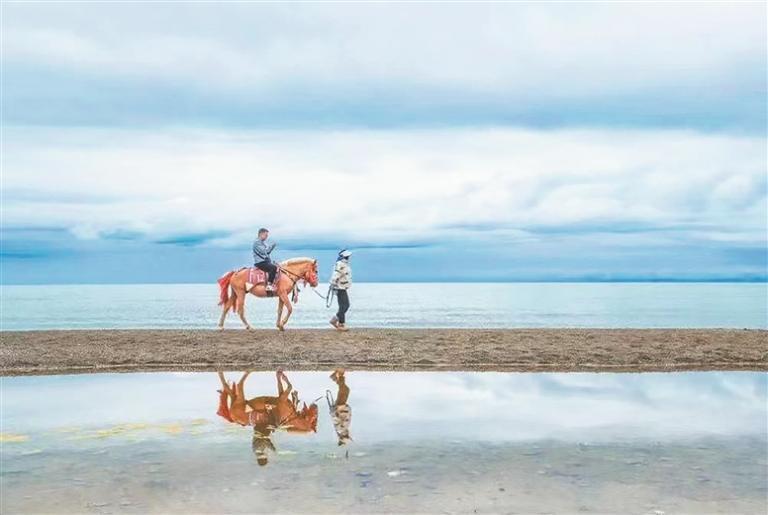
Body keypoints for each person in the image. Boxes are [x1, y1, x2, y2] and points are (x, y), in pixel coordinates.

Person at [327, 368, 352, 447]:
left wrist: (335, 410)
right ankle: (336, 377)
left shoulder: (340, 429)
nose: (348, 434)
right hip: (342, 408)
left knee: (345, 390)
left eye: (347, 436)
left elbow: (335, 418)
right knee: (344, 390)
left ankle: (338, 375)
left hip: (340, 408)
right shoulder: (342, 429)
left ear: (343, 436)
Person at [329, 249, 352, 331]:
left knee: (343, 306)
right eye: (348, 256)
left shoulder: (343, 264)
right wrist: (333, 283)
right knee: (344, 306)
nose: (349, 258)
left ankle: (339, 322)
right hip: (339, 287)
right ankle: (338, 323)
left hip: (342, 287)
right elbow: (336, 274)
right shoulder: (340, 264)